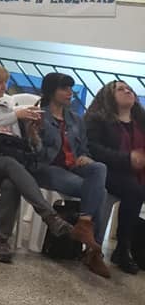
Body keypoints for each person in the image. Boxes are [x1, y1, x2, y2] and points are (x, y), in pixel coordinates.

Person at [0, 64, 83, 265]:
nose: (4, 87)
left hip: (2, 160)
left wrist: (31, 132)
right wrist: (14, 116)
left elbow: (15, 139)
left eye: (4, 82)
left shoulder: (5, 107)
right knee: (11, 165)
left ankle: (0, 239)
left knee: (12, 181)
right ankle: (49, 216)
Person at [31, 72, 109, 274]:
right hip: (47, 167)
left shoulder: (76, 119)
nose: (70, 93)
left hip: (73, 166)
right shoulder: (38, 115)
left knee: (99, 168)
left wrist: (85, 157)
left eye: (71, 88)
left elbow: (83, 149)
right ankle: (94, 251)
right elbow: (35, 153)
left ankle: (84, 225)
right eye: (64, 88)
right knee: (99, 192)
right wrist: (34, 136)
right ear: (51, 91)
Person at [86, 81, 145, 274]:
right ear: (109, 96)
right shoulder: (97, 119)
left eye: (130, 89)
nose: (127, 91)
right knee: (135, 190)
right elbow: (94, 149)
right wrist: (128, 159)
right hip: (108, 170)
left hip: (136, 171)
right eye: (121, 89)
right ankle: (122, 248)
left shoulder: (141, 120)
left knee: (135, 187)